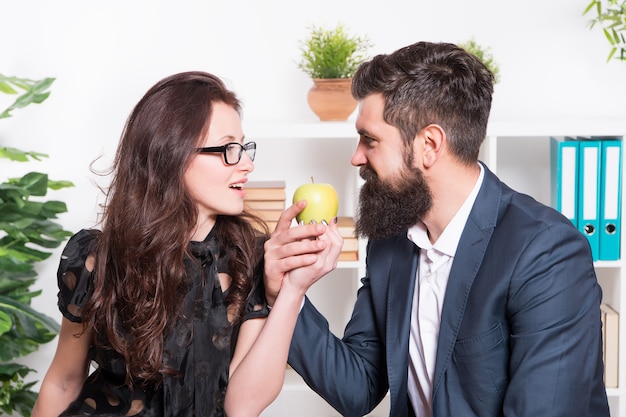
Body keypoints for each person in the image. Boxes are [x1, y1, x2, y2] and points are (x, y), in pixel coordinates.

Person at [263, 41, 611, 416]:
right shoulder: (390, 241)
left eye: (370, 140)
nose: (356, 157)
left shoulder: (548, 253)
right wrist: (287, 291)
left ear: (429, 144)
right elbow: (357, 385)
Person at [31, 71, 341, 417]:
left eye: (244, 147)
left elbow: (243, 406)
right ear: (172, 155)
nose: (248, 164)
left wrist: (291, 290)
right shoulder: (95, 258)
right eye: (229, 149)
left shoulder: (251, 259)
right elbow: (63, 381)